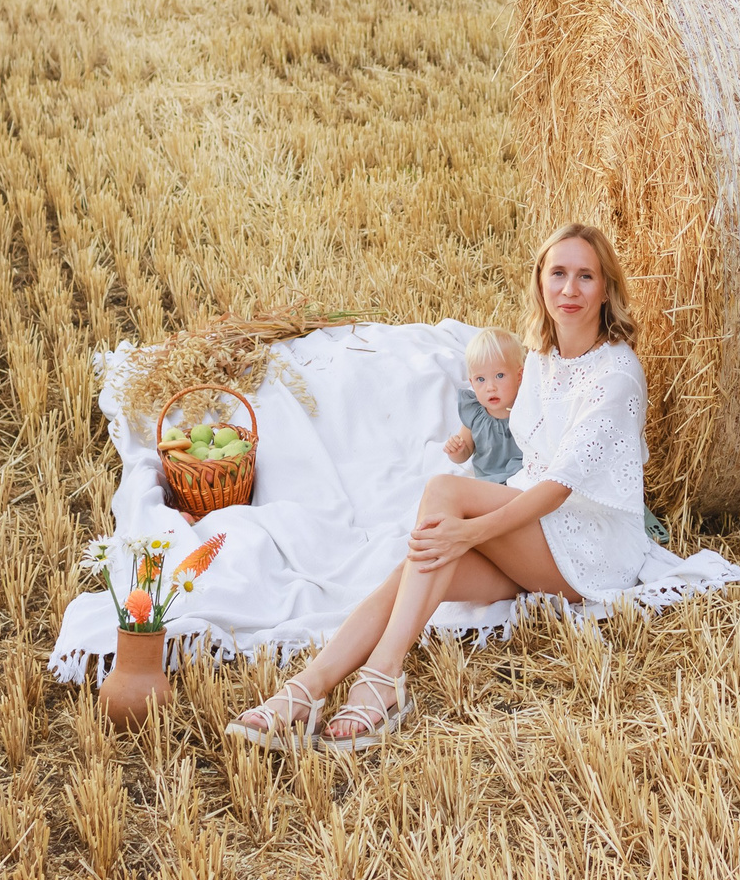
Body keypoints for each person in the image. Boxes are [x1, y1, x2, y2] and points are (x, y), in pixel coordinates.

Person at [227, 221, 657, 753]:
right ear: (540, 282)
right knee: (413, 570)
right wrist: (461, 535)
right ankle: (308, 687)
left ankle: (383, 676)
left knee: (445, 498)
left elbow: (560, 488)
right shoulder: (541, 360)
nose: (570, 289)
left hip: (589, 548)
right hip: (535, 533)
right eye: (559, 273)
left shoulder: (616, 373)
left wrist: (468, 531)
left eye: (586, 276)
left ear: (606, 288)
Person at [443, 328, 525, 480]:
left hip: (522, 482)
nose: (490, 387)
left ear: (519, 376)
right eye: (481, 379)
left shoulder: (526, 410)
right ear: (472, 383)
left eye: (499, 375)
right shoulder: (475, 414)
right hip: (487, 484)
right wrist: (457, 451)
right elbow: (464, 453)